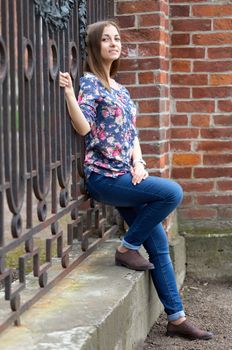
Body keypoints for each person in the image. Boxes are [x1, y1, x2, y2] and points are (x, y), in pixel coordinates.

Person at [59, 20, 213, 341]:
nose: (114, 43)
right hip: (104, 176)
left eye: (117, 38)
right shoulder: (89, 83)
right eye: (106, 39)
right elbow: (84, 127)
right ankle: (127, 246)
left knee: (158, 245)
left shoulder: (121, 89)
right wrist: (69, 93)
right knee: (172, 192)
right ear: (94, 46)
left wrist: (139, 161)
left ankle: (176, 318)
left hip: (127, 174)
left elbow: (132, 134)